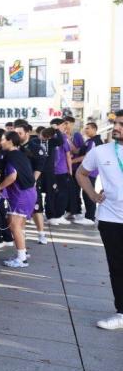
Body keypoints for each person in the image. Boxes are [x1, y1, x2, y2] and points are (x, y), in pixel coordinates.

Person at [76, 110, 123, 330]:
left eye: (121, 124)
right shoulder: (101, 151)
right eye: (116, 123)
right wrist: (93, 196)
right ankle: (121, 312)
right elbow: (81, 173)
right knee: (117, 267)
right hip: (110, 218)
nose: (116, 128)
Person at [0, 131, 38, 268]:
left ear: (10, 141)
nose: (0, 142)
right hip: (28, 193)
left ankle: (22, 259)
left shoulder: (11, 156)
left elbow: (12, 176)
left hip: (21, 195)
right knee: (20, 225)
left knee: (14, 226)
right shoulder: (19, 154)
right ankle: (22, 252)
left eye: (2, 140)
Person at [14, 120, 49, 243]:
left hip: (31, 183)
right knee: (19, 211)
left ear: (27, 133)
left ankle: (41, 234)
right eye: (15, 133)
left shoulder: (36, 148)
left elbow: (39, 167)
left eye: (20, 133)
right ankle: (21, 234)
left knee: (36, 208)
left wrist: (31, 182)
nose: (17, 135)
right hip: (16, 184)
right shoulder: (14, 146)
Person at [47, 118, 72, 225]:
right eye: (63, 125)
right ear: (57, 126)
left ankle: (51, 216)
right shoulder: (63, 138)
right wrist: (70, 171)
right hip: (61, 171)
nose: (64, 127)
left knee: (51, 194)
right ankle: (59, 215)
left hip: (50, 171)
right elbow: (68, 155)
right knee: (62, 194)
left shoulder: (48, 137)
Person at [80, 122, 104, 222]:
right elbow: (78, 151)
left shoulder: (95, 141)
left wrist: (71, 161)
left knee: (88, 192)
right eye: (85, 128)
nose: (86, 130)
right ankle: (89, 216)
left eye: (88, 128)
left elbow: (87, 156)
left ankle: (90, 217)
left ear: (94, 129)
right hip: (88, 171)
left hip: (91, 171)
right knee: (86, 192)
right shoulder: (90, 141)